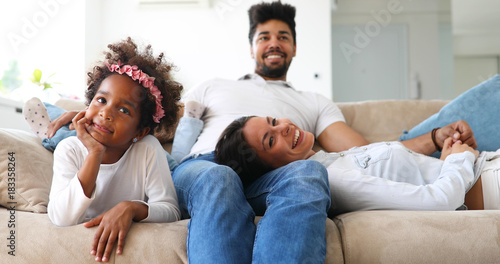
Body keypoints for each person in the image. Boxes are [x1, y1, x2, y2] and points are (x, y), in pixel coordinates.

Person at [44, 2, 475, 263]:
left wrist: (435, 140)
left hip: (276, 168)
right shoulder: (214, 86)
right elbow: (145, 116)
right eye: (265, 35)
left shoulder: (314, 102)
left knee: (311, 175)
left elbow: (365, 152)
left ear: (293, 47)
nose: (274, 42)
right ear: (252, 45)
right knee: (219, 176)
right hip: (205, 166)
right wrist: (88, 114)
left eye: (283, 36)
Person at [43, 37, 182, 263]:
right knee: (58, 136)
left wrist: (132, 208)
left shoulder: (148, 149)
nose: (106, 114)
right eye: (101, 100)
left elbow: (171, 211)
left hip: (161, 161)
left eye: (124, 110)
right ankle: (50, 126)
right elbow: (61, 218)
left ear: (140, 131)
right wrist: (94, 153)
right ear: (88, 105)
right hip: (76, 142)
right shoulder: (69, 149)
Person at [214, 116, 500, 217]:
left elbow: (419, 184)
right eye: (270, 139)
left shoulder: (330, 159)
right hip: (488, 182)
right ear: (270, 171)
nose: (285, 127)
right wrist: (459, 159)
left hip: (485, 166)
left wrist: (442, 162)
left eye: (274, 121)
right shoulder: (334, 179)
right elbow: (439, 202)